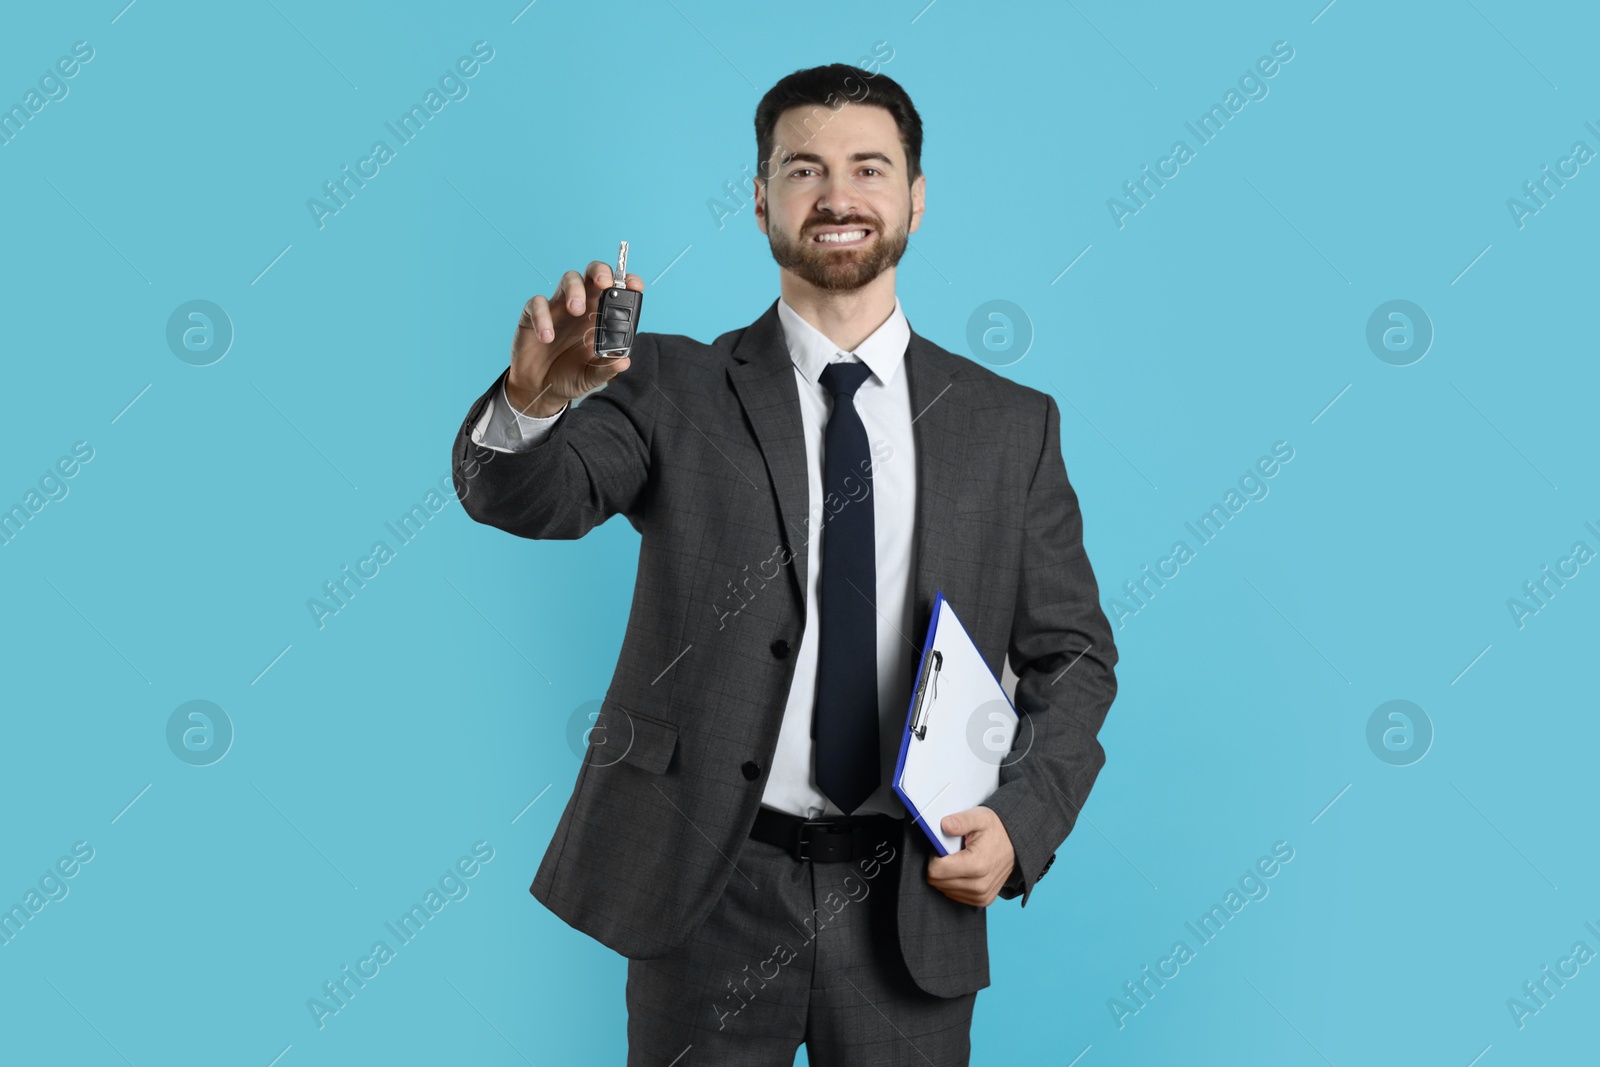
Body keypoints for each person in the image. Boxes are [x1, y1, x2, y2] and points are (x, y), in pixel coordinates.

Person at [451, 62, 1118, 1065]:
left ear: (915, 199)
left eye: (868, 168)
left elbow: (1072, 657)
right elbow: (528, 497)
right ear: (760, 198)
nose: (838, 196)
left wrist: (1023, 823)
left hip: (909, 899)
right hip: (709, 890)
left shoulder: (1008, 424)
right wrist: (536, 402)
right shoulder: (670, 384)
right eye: (804, 169)